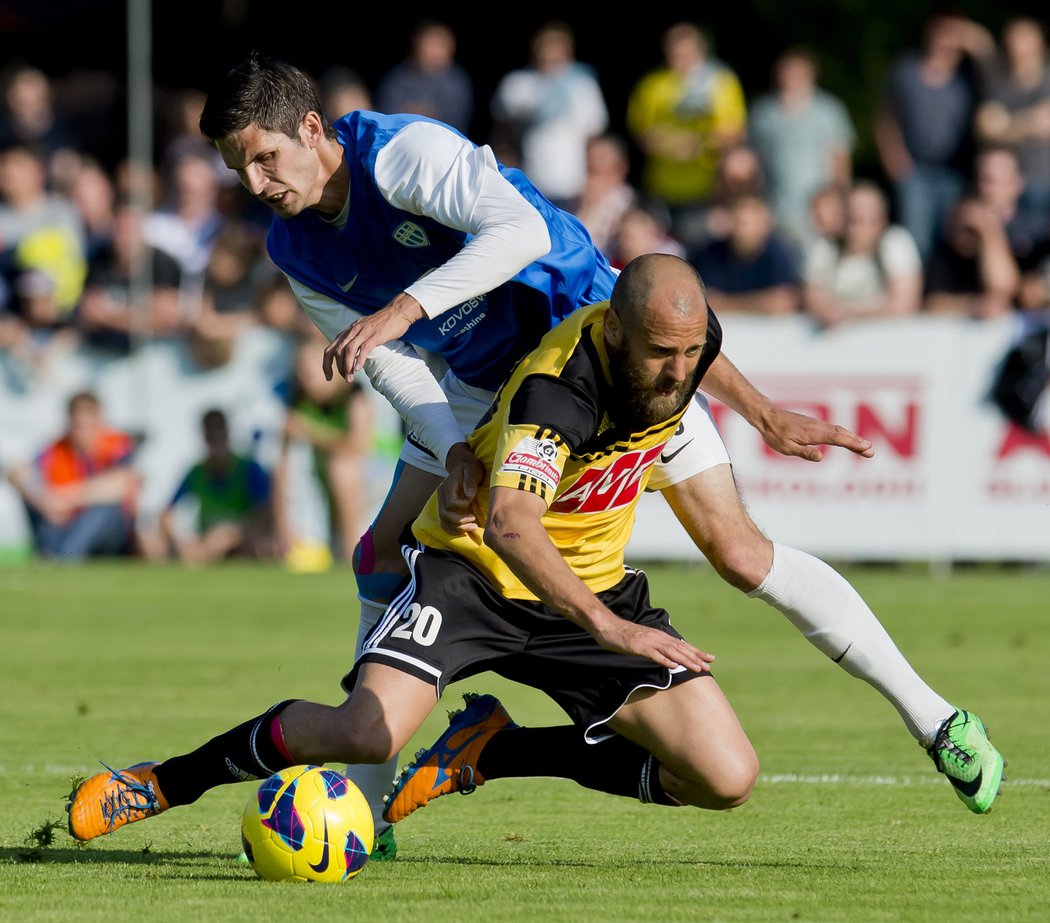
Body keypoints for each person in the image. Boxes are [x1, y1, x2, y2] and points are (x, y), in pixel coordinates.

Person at [185, 52, 975, 859]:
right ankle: (368, 813)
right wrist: (456, 444)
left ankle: (936, 717)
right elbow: (382, 359)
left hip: (605, 361)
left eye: (264, 157)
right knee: (379, 547)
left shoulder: (403, 154)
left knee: (741, 554)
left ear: (312, 129)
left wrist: (407, 305)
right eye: (237, 166)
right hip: (492, 396)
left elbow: (522, 231)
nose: (255, 182)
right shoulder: (293, 245)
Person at [65, 256, 1006, 851]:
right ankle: (162, 781)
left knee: (726, 779)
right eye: (662, 355)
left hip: (593, 593)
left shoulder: (679, 345)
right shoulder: (563, 390)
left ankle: (498, 750)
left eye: (691, 353)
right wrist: (608, 629)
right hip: (478, 578)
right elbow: (513, 524)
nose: (679, 372)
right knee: (365, 732)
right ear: (612, 331)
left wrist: (763, 413)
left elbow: (702, 351)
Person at [874, 11, 994, 264]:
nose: (946, 43)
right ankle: (913, 295)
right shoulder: (906, 71)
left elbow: (989, 53)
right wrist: (894, 160)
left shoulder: (968, 77)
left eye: (953, 38)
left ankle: (936, 293)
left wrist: (966, 32)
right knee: (915, 239)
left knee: (950, 238)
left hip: (955, 171)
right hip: (914, 169)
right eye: (941, 35)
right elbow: (886, 119)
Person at [626, 22, 747, 251]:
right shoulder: (652, 85)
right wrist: (671, 145)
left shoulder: (720, 82)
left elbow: (734, 131)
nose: (679, 58)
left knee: (700, 252)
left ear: (700, 51)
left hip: (705, 188)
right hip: (660, 187)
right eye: (674, 52)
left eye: (685, 52)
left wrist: (696, 144)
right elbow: (642, 132)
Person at [273, 331, 375, 569]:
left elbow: (357, 447)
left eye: (310, 374)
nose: (305, 380)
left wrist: (308, 431)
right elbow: (282, 464)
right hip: (320, 480)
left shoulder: (355, 395)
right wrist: (281, 524)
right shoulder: (298, 399)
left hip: (373, 476)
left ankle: (352, 550)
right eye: (301, 375)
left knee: (340, 467)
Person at [489, 20, 609, 211]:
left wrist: (594, 181)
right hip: (528, 183)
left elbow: (594, 137)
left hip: (572, 185)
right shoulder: (518, 84)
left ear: (568, 52)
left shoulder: (583, 85)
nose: (551, 55)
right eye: (546, 48)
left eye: (557, 48)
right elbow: (502, 133)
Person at [7, 390, 139, 561]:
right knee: (30, 494)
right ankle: (52, 550)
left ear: (99, 421)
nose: (81, 432)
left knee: (103, 509)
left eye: (86, 425)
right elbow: (17, 473)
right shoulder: (56, 449)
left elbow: (120, 484)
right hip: (63, 521)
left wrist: (64, 499)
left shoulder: (116, 444)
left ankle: (64, 555)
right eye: (77, 425)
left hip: (109, 533)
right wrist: (43, 500)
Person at [747, 45, 855, 252]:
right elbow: (754, 161)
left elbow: (841, 161)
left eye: (797, 71)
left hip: (817, 212)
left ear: (811, 74)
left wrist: (838, 201)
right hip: (774, 209)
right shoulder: (763, 113)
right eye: (786, 70)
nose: (791, 76)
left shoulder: (829, 111)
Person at [145, 408, 274, 565]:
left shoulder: (248, 469)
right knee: (152, 544)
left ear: (227, 433)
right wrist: (182, 542)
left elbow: (265, 515)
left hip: (243, 543)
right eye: (210, 435)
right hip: (205, 540)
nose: (215, 440)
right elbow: (166, 514)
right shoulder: (196, 472)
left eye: (219, 433)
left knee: (261, 546)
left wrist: (233, 534)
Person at [802, 180, 924, 328]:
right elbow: (814, 300)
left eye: (865, 219)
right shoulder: (826, 247)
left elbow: (905, 304)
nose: (856, 228)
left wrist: (848, 314)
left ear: (883, 220)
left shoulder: (896, 242)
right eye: (851, 218)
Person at [975, 17, 1050, 216]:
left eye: (1024, 37)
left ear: (1040, 42)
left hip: (1043, 180)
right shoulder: (999, 84)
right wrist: (1029, 122)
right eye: (1013, 37)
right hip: (1003, 187)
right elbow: (986, 128)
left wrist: (1006, 125)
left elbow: (1045, 123)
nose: (1016, 43)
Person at [689, 192, 801, 315]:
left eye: (745, 223)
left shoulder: (779, 253)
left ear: (764, 225)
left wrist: (726, 302)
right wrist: (760, 303)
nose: (739, 229)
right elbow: (706, 301)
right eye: (736, 221)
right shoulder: (710, 253)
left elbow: (782, 302)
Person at [374, 19, 474, 136]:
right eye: (432, 44)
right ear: (417, 45)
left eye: (441, 44)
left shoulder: (457, 81)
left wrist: (419, 115)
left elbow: (457, 118)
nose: (436, 51)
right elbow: (385, 115)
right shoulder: (398, 78)